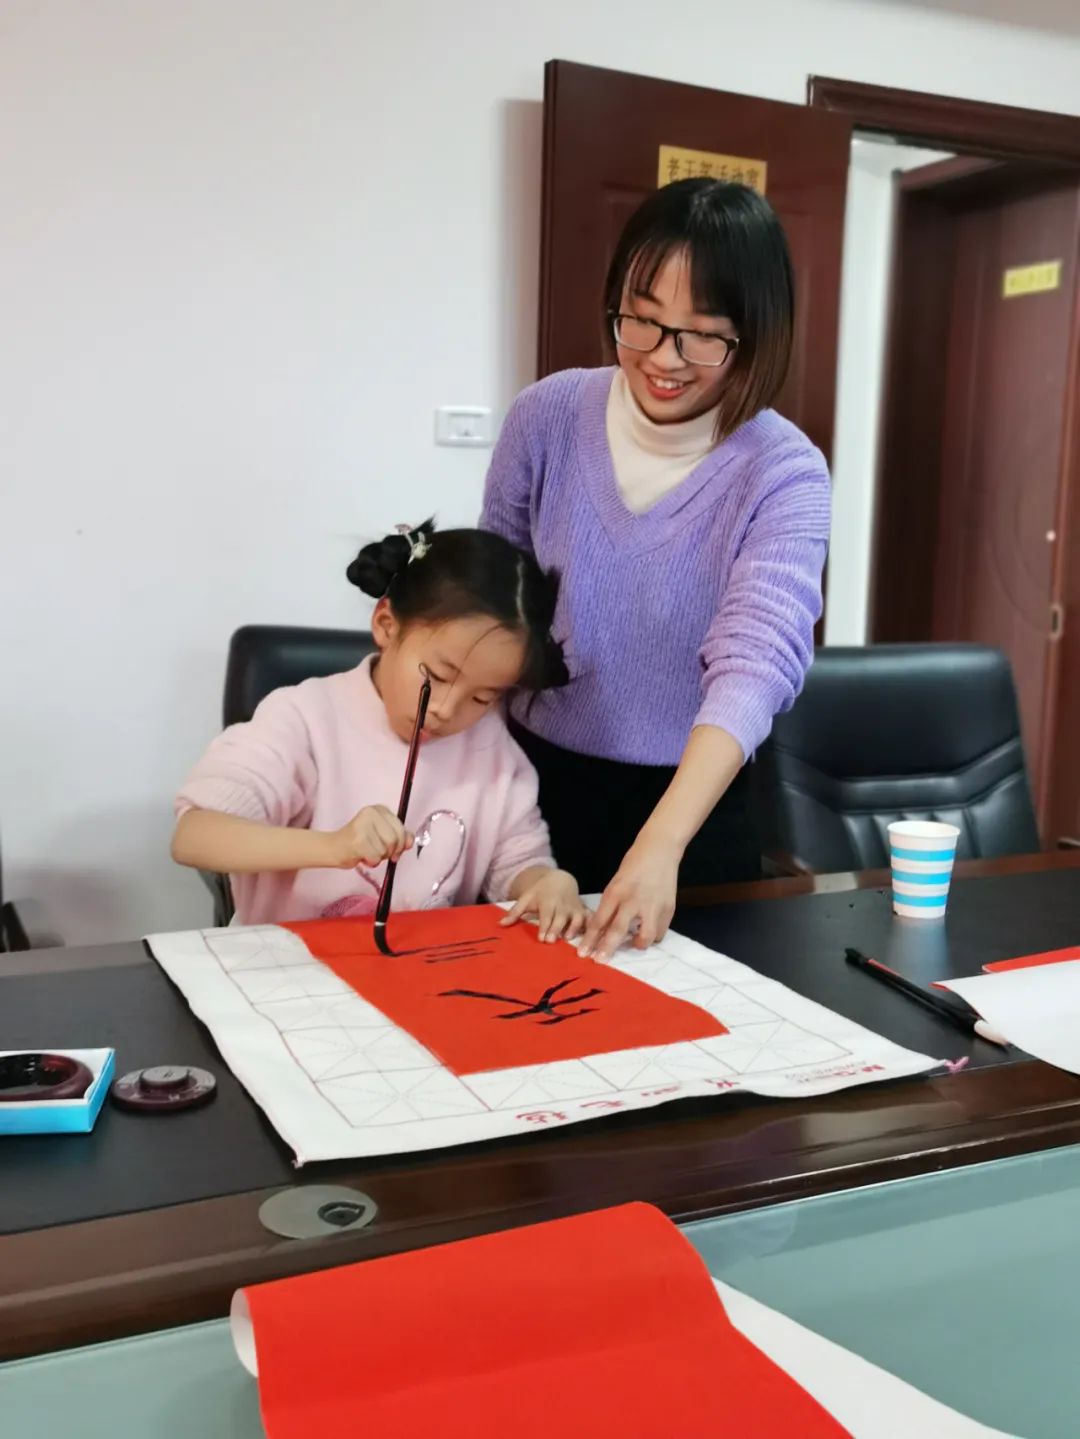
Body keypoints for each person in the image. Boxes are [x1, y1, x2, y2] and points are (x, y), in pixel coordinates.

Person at [481, 178, 831, 961]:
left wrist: (661, 843)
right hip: (533, 794)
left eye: (702, 336)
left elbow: (757, 661)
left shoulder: (784, 472)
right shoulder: (546, 417)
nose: (662, 360)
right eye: (641, 321)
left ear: (755, 333)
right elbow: (490, 606)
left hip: (692, 808)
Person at [172, 523, 587, 940]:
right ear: (386, 624)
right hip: (285, 964)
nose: (446, 710)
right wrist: (335, 846)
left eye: (482, 698)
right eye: (437, 676)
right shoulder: (303, 718)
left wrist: (546, 883)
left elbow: (517, 863)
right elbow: (195, 836)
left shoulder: (493, 750)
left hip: (418, 967)